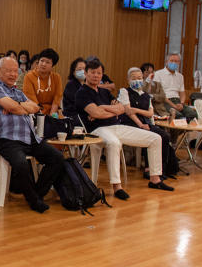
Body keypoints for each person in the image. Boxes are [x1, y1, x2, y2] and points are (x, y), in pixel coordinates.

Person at [75, 58, 173, 200]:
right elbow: (96, 114)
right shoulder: (82, 93)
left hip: (116, 126)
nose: (96, 75)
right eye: (93, 72)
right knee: (114, 143)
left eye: (99, 73)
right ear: (86, 73)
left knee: (155, 138)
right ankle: (117, 186)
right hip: (96, 130)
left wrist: (103, 107)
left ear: (102, 75)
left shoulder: (104, 92)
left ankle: (155, 179)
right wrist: (107, 110)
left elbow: (123, 109)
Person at [0, 57, 65, 213]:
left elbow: (35, 107)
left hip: (30, 137)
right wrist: (17, 108)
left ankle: (37, 193)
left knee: (57, 158)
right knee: (21, 163)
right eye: (8, 71)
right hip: (6, 139)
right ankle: (33, 200)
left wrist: (16, 107)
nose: (13, 74)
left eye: (15, 71)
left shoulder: (17, 92)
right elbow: (16, 108)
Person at [117, 67, 178, 180]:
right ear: (128, 80)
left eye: (139, 78)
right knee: (150, 134)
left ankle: (161, 169)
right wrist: (140, 124)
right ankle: (148, 169)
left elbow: (150, 113)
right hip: (130, 123)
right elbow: (129, 112)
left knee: (164, 135)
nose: (137, 80)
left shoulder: (146, 95)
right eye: (134, 78)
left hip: (146, 123)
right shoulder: (124, 92)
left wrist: (137, 110)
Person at [23, 48, 63, 132]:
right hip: (35, 113)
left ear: (53, 65)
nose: (43, 64)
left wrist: (52, 117)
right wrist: (43, 118)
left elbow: (57, 99)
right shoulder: (29, 77)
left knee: (61, 129)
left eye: (47, 62)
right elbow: (32, 101)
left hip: (52, 113)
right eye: (41, 61)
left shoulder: (56, 78)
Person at [153, 53, 198, 121]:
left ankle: (186, 131)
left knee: (193, 114)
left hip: (178, 101)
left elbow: (182, 93)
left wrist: (181, 104)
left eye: (176, 61)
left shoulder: (180, 76)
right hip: (164, 101)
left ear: (179, 63)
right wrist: (174, 106)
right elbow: (160, 94)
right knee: (178, 116)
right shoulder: (158, 74)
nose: (174, 63)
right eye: (172, 61)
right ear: (166, 62)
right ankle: (175, 131)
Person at [61, 57, 86, 122]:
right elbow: (76, 104)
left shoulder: (87, 85)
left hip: (83, 114)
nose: (83, 71)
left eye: (84, 69)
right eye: (80, 69)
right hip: (72, 115)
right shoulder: (71, 85)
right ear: (74, 72)